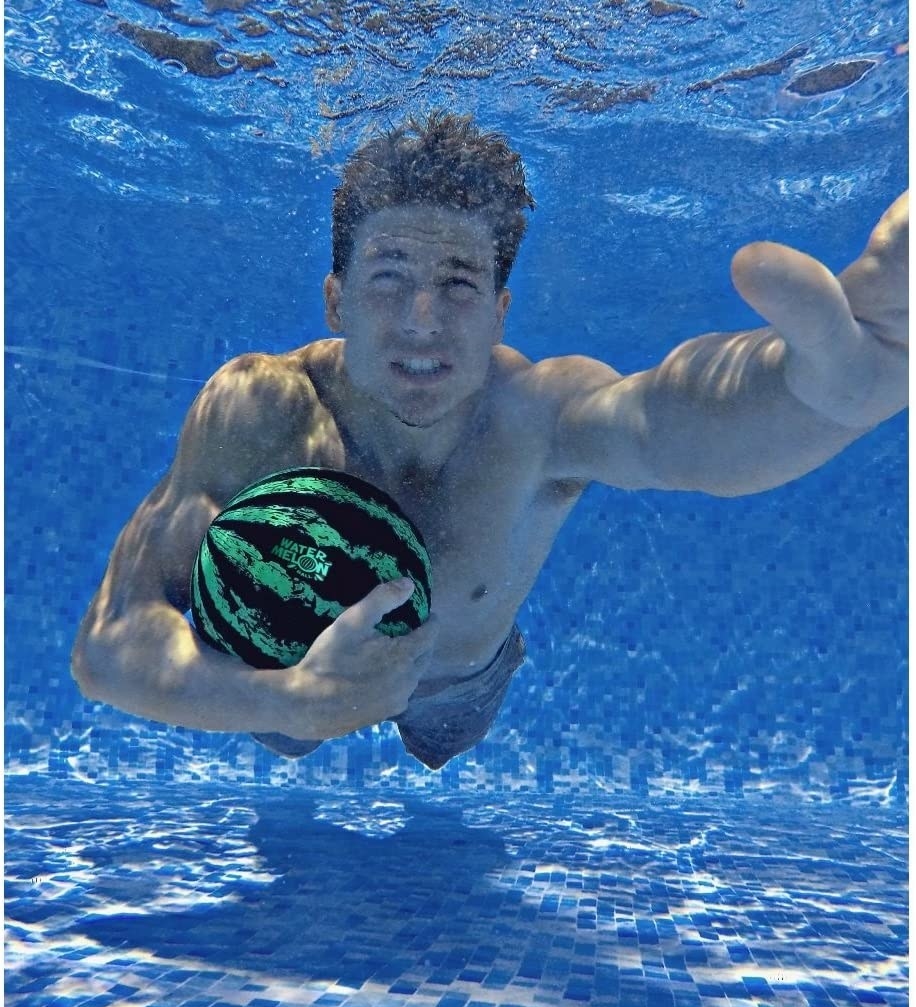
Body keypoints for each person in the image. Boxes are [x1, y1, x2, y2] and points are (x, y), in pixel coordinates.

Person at [70, 112, 908, 771]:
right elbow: (108, 642)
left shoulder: (534, 417)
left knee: (444, 740)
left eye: (460, 283)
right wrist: (286, 700)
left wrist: (820, 398)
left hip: (458, 684)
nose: (421, 322)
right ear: (336, 300)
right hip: (287, 675)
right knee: (287, 741)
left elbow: (666, 424)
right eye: (389, 276)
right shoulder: (257, 409)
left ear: (503, 311)